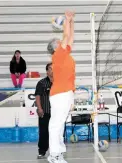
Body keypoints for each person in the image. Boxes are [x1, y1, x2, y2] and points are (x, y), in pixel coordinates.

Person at [46, 10, 75, 163]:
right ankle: (54, 154)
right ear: (55, 47)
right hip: (60, 94)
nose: (61, 41)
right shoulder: (57, 55)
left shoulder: (64, 54)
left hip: (67, 92)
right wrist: (66, 21)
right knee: (55, 124)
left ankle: (59, 152)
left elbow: (70, 38)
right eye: (58, 41)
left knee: (60, 124)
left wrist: (71, 21)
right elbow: (66, 36)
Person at [35, 63, 53, 159]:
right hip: (44, 112)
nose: (52, 70)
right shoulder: (41, 83)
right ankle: (42, 151)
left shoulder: (59, 82)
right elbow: (37, 96)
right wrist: (39, 108)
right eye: (50, 68)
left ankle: (56, 151)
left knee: (56, 133)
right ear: (47, 71)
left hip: (56, 113)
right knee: (43, 132)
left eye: (54, 68)